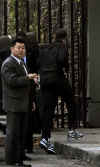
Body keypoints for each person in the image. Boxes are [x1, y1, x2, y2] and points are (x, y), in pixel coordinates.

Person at [38, 28, 83, 154]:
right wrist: (66, 68)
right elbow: (62, 60)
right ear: (64, 38)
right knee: (71, 101)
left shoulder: (46, 48)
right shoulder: (62, 47)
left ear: (54, 36)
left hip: (46, 81)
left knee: (48, 109)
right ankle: (71, 129)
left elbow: (39, 62)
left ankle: (45, 138)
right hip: (57, 78)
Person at [1, 37, 38, 167]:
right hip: (13, 104)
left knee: (21, 132)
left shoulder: (21, 62)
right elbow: (12, 81)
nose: (22, 50)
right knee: (13, 133)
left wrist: (31, 99)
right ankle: (12, 160)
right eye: (19, 48)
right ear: (12, 49)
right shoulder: (8, 63)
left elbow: (23, 81)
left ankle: (19, 159)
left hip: (23, 102)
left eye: (23, 48)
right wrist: (27, 78)